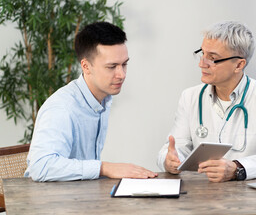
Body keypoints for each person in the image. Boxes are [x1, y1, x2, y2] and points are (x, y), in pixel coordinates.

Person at [157, 21, 256, 182]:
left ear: (239, 64)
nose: (202, 63)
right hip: (201, 196)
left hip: (252, 198)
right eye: (202, 54)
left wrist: (238, 168)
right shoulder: (190, 97)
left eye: (212, 58)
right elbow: (175, 148)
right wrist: (170, 161)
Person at [25, 22, 157, 182]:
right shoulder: (61, 108)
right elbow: (41, 167)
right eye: (112, 66)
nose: (121, 74)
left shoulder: (103, 99)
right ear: (86, 66)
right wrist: (104, 168)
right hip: (50, 202)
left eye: (124, 64)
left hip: (81, 196)